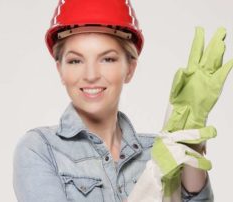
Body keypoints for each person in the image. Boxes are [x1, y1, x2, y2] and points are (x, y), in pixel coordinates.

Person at [13, 0, 214, 201]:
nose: (91, 75)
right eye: (75, 60)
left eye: (107, 59)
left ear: (130, 69)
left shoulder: (160, 152)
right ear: (61, 70)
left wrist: (189, 148)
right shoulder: (40, 149)